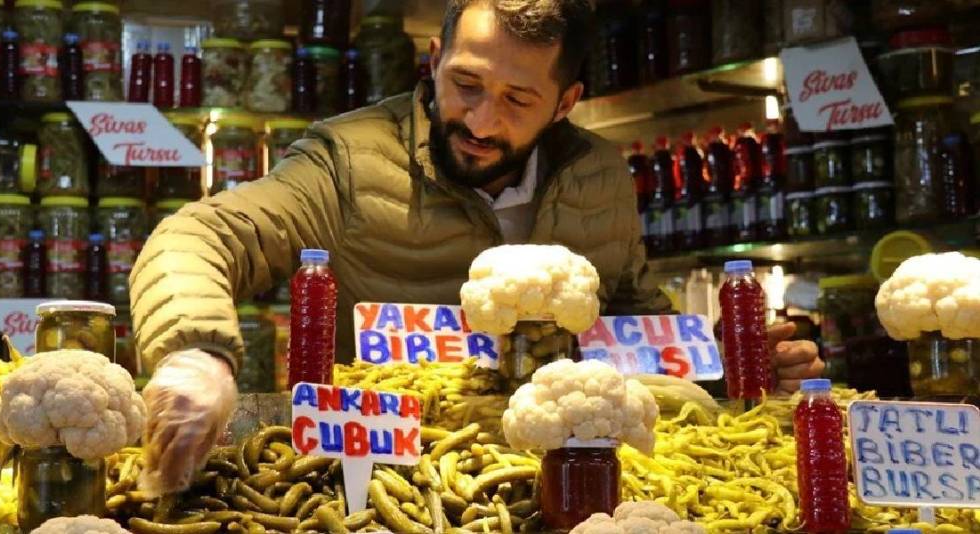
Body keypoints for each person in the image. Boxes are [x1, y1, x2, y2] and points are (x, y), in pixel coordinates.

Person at [132, 0, 824, 493]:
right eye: (465, 84)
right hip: (386, 474)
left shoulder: (599, 176)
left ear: (565, 102)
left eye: (518, 99)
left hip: (573, 471)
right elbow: (202, 234)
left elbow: (630, 318)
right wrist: (196, 351)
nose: (481, 120)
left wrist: (724, 357)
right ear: (434, 61)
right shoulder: (347, 157)